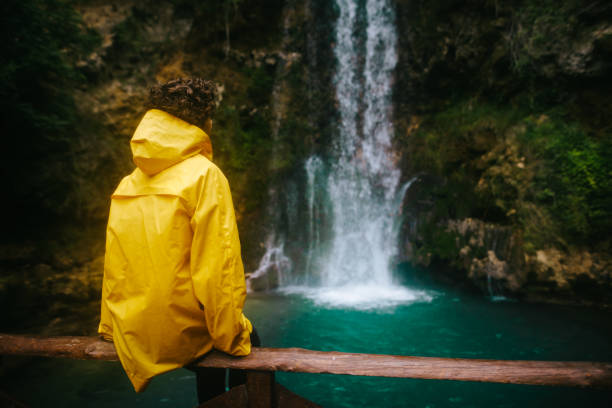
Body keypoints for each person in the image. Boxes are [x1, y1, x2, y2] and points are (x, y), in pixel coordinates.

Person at [98, 78, 258, 402]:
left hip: (132, 334)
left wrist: (109, 329)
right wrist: (233, 337)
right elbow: (219, 272)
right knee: (248, 340)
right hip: (178, 336)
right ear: (204, 122)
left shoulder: (128, 182)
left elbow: (115, 263)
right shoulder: (204, 175)